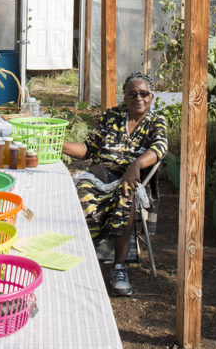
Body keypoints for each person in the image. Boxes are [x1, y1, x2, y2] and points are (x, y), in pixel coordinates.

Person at [61, 72, 167, 297]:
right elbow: (89, 149)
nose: (138, 98)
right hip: (101, 176)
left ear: (152, 97)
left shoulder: (156, 122)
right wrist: (57, 143)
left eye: (143, 93)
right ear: (125, 97)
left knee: (125, 196)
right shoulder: (112, 116)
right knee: (79, 192)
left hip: (131, 180)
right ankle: (85, 257)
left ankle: (119, 267)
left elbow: (159, 148)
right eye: (132, 94)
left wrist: (135, 165)